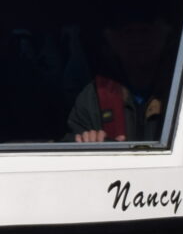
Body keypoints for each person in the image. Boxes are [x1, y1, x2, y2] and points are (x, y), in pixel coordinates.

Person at [67, 15, 173, 144]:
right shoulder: (92, 97)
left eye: (145, 31)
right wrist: (86, 141)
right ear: (113, 40)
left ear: (163, 35)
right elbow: (70, 144)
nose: (137, 40)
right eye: (128, 32)